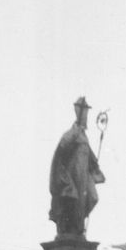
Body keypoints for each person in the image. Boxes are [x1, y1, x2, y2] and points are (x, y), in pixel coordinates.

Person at [48, 96, 105, 237]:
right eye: (83, 112)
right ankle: (72, 229)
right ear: (78, 112)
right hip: (73, 176)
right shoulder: (71, 133)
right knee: (73, 202)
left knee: (92, 197)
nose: (86, 116)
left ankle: (77, 228)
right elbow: (61, 152)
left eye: (86, 113)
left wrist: (95, 167)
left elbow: (89, 155)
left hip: (83, 176)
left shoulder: (84, 136)